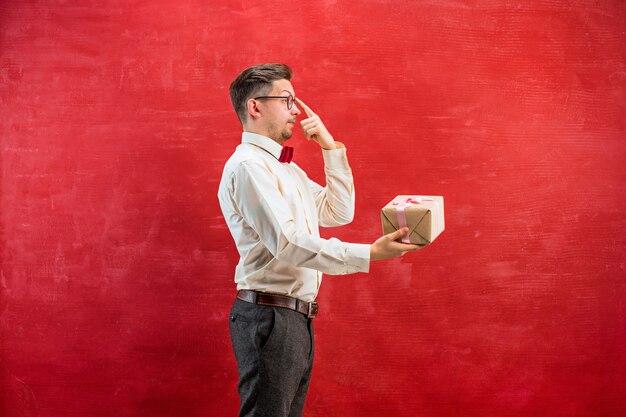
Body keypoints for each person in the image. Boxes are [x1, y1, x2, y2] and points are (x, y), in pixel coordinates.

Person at [217, 63, 418, 417]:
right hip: (269, 316)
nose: (297, 110)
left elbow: (338, 211)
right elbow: (288, 243)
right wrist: (369, 253)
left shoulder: (286, 168)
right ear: (255, 107)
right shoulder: (249, 166)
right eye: (287, 99)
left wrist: (330, 147)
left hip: (293, 319)